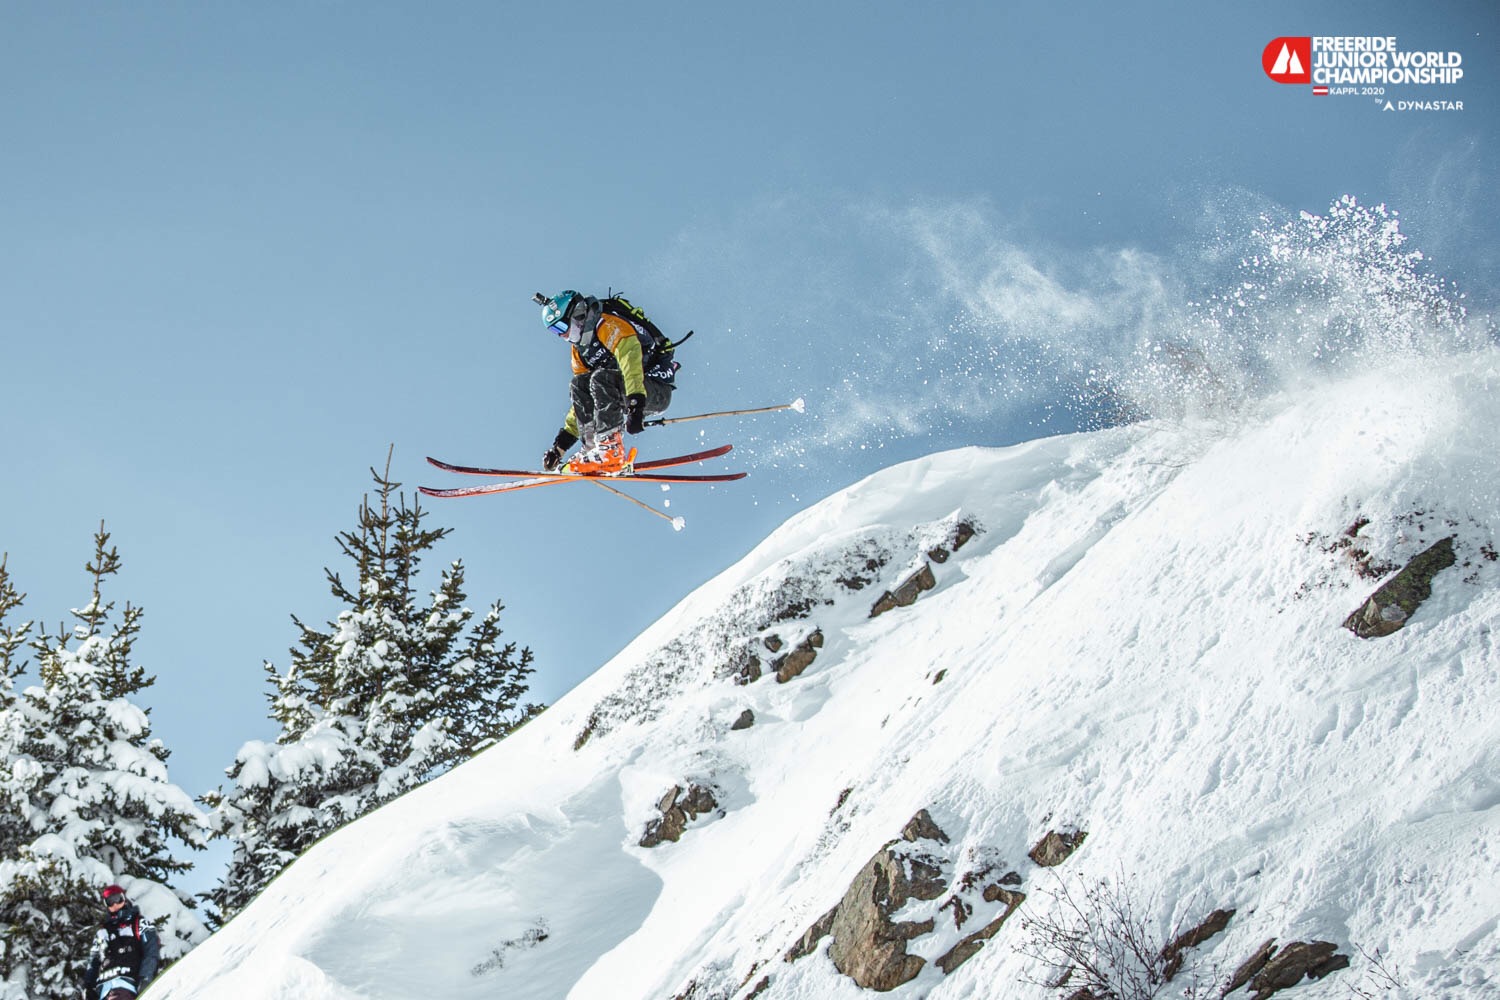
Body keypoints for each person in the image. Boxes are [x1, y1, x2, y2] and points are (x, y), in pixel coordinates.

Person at [536, 290, 676, 473]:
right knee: (578, 384)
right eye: (555, 331)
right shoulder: (580, 352)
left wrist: (635, 403)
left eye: (561, 327)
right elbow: (584, 397)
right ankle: (594, 449)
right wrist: (561, 445)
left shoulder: (607, 325)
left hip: (653, 390)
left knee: (600, 378)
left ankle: (610, 450)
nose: (561, 336)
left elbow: (630, 361)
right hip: (624, 392)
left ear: (577, 315)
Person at [81, 885, 160, 1000]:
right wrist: (88, 986)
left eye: (118, 899)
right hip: (104, 988)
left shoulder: (138, 923)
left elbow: (151, 951)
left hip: (126, 982)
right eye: (110, 902)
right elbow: (93, 962)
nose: (115, 904)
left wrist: (145, 977)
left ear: (124, 899)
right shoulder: (103, 932)